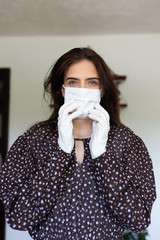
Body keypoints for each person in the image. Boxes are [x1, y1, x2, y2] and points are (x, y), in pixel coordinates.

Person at [0, 47, 156, 240]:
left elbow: (138, 220)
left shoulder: (128, 143)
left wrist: (102, 155)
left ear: (102, 91)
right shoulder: (33, 140)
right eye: (73, 82)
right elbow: (18, 218)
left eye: (91, 82)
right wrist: (61, 152)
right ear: (63, 90)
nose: (82, 90)